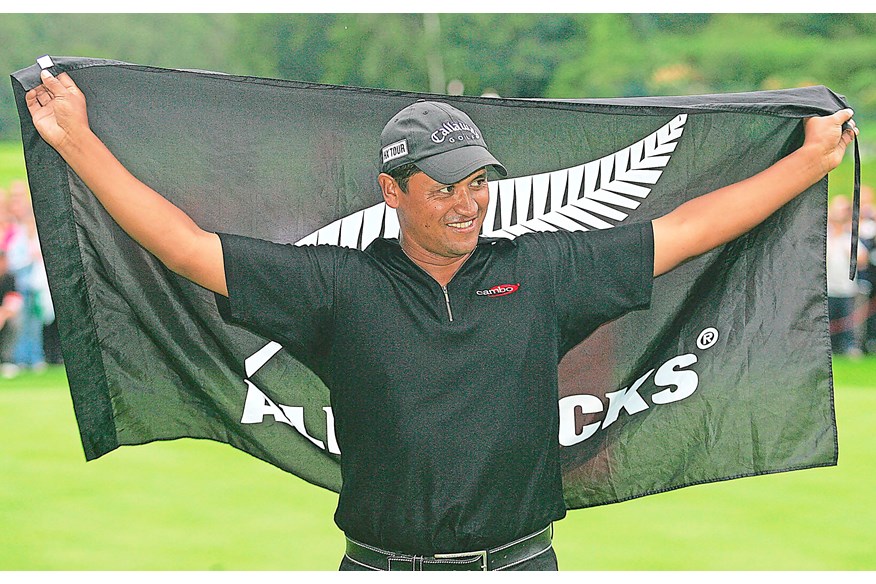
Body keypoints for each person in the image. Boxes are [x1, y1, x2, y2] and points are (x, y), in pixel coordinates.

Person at [25, 69, 857, 571]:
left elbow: (686, 233)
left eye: (479, 183)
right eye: (445, 187)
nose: (469, 205)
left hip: (523, 564)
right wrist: (78, 143)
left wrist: (812, 162)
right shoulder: (335, 286)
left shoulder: (542, 270)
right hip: (379, 567)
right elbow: (187, 249)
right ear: (394, 191)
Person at [827, 194, 869, 356]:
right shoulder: (826, 236)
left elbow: (863, 260)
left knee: (847, 320)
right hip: (828, 287)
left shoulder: (849, 237)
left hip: (846, 288)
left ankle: (848, 346)